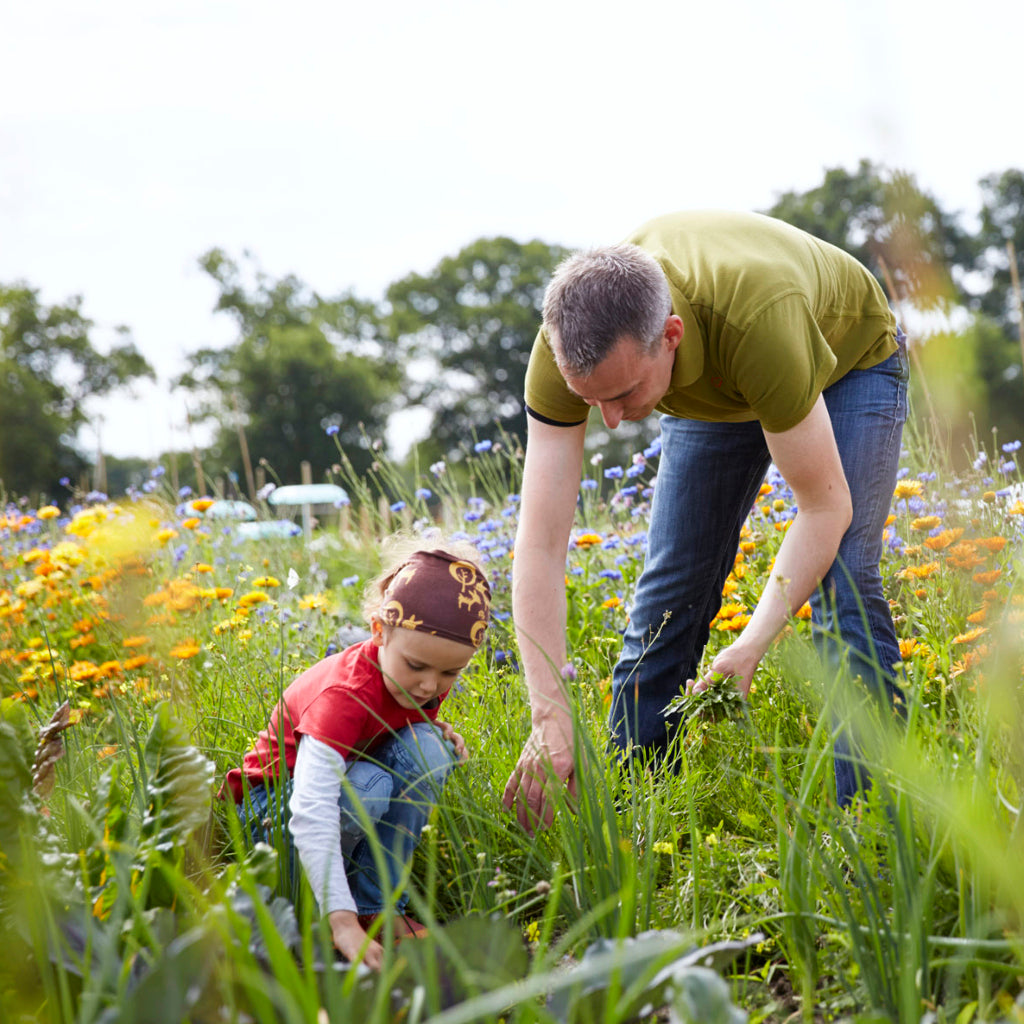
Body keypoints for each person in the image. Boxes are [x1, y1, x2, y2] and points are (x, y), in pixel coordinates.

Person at [502, 209, 909, 830]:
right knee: (671, 592)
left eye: (623, 396)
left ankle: (871, 828)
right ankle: (636, 817)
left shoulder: (759, 319)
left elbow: (825, 508)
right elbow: (539, 546)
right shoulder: (568, 354)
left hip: (844, 362)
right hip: (717, 380)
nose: (609, 420)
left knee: (845, 581)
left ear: (669, 335)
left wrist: (749, 646)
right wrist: (549, 717)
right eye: (592, 401)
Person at [224, 539, 491, 969]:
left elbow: (392, 729)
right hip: (272, 808)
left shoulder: (413, 680)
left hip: (342, 789)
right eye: (418, 667)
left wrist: (428, 727)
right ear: (378, 631)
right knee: (372, 786)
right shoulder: (344, 695)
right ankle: (318, 913)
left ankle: (377, 909)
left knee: (429, 751)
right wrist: (340, 920)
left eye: (449, 673)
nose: (428, 686)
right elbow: (310, 807)